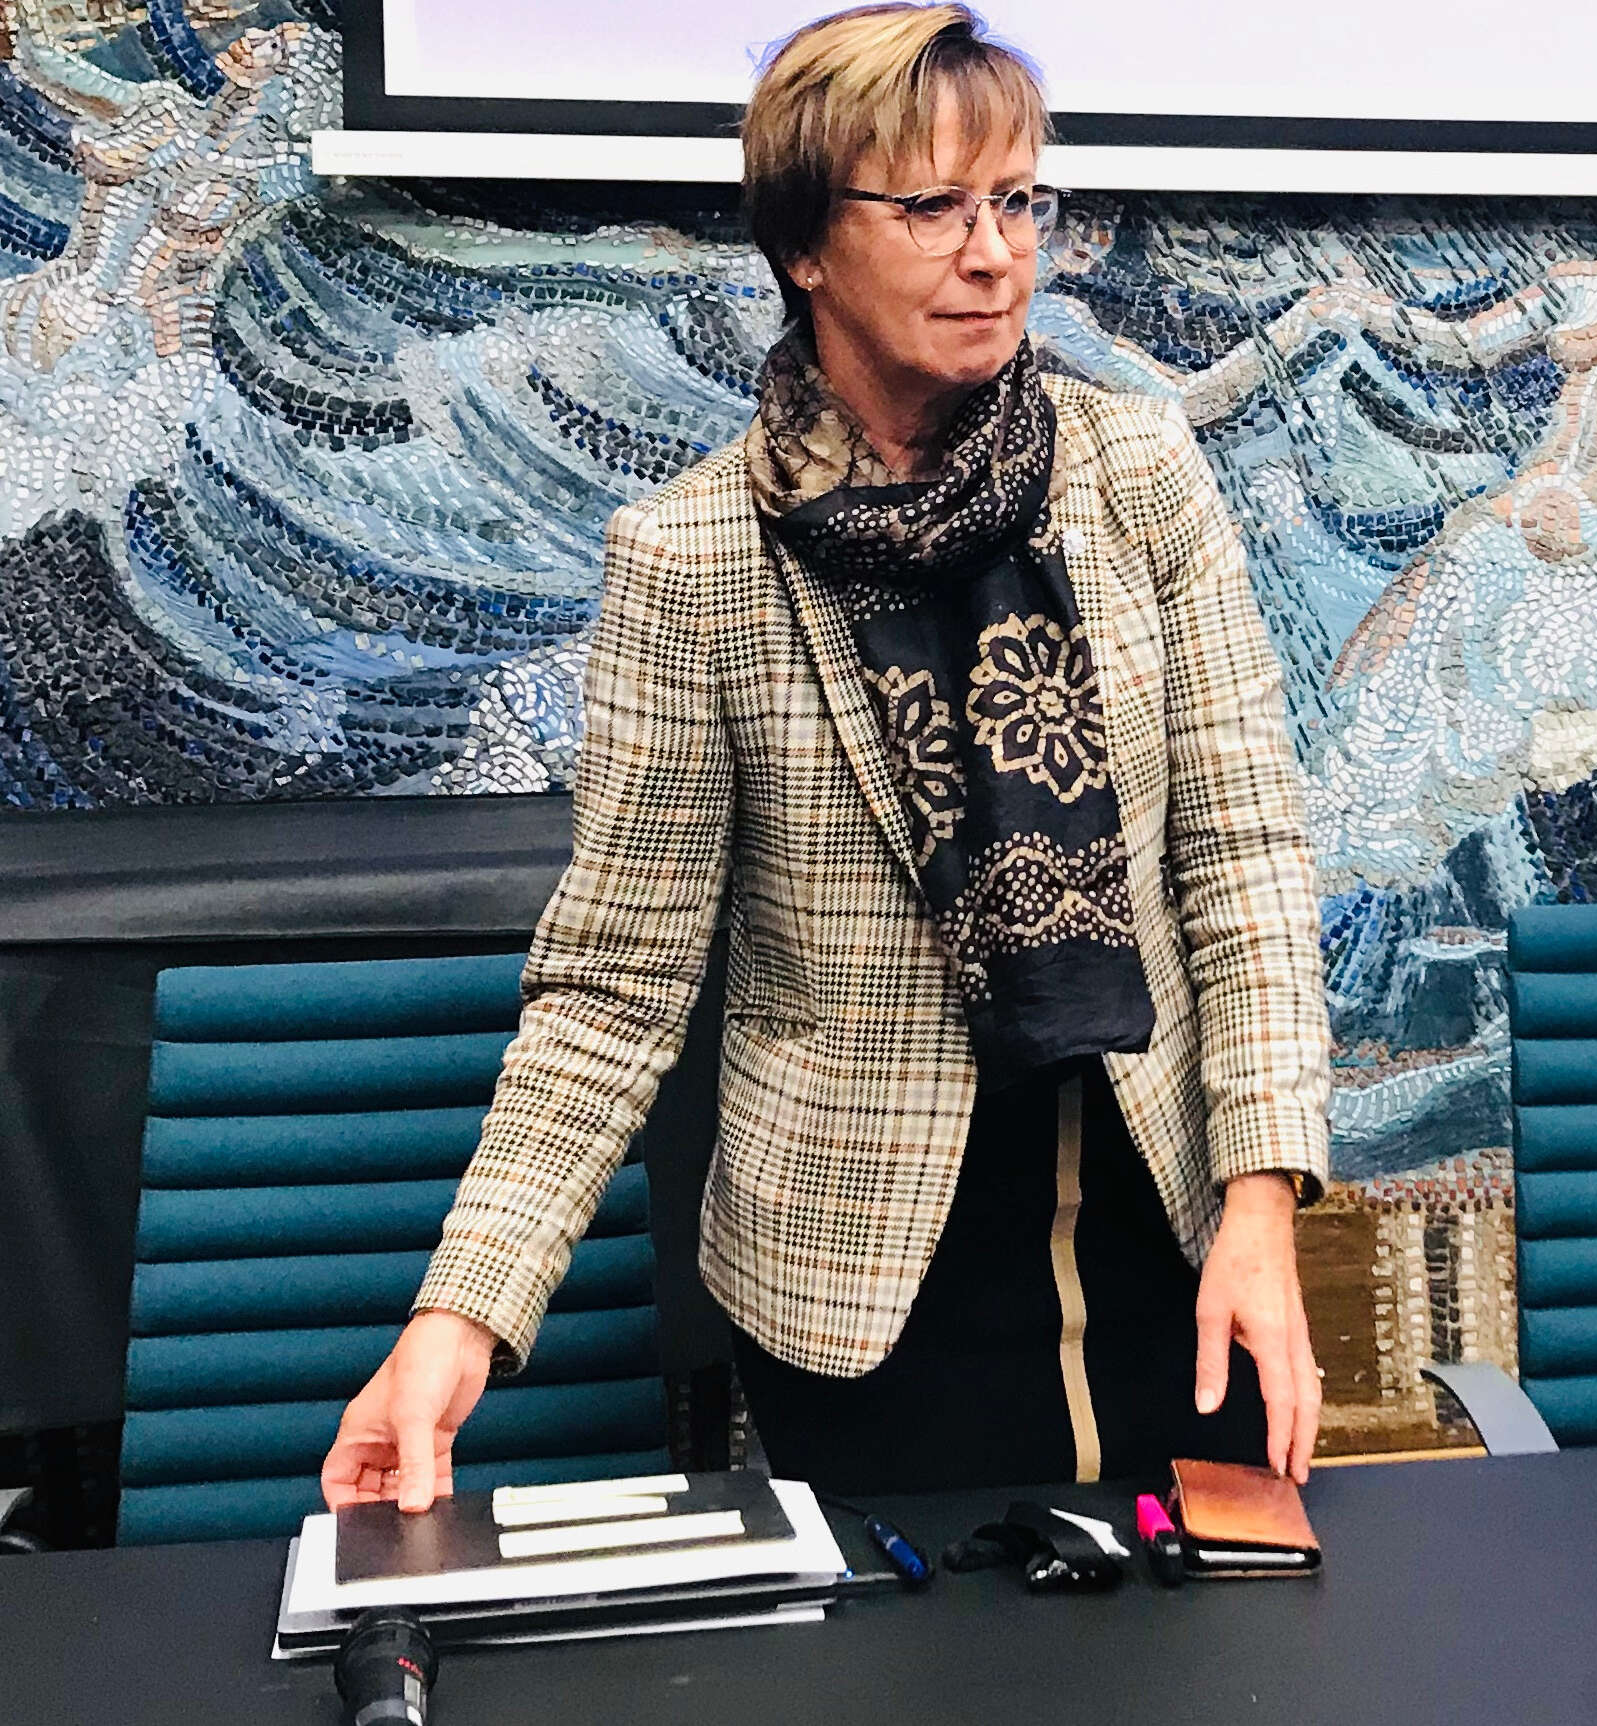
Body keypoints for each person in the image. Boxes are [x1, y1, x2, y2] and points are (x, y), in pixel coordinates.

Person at [320, 3, 1332, 1506]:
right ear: (805, 242)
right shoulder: (695, 558)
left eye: (1016, 200)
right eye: (932, 207)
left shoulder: (1139, 474)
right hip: (865, 1299)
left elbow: (1242, 857)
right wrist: (458, 1316)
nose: (994, 253)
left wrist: (1260, 1200)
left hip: (1178, 1249)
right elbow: (614, 987)